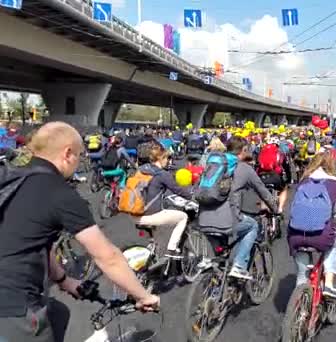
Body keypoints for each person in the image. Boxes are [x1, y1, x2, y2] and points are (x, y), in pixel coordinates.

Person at [0, 122, 159, 342]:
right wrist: (143, 296)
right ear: (68, 153)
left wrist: (66, 281)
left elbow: (36, 243)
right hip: (12, 307)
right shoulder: (58, 191)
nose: (80, 161)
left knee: (59, 314)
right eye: (80, 155)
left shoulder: (13, 177)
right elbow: (107, 257)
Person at [288, 149, 336, 299]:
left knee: (302, 276)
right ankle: (329, 285)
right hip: (321, 236)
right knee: (332, 243)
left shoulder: (304, 180)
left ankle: (299, 306)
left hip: (295, 234)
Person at [197, 137, 278, 280]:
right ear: (244, 150)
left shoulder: (213, 165)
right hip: (227, 222)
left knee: (218, 258)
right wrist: (275, 209)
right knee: (252, 226)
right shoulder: (245, 169)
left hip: (203, 220)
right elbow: (263, 191)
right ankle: (239, 265)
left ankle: (215, 287)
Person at [133, 144, 194, 259]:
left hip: (135, 214)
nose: (168, 161)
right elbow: (178, 190)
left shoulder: (140, 171)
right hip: (151, 215)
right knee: (183, 217)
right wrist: (192, 196)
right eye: (167, 158)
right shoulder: (162, 174)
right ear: (161, 159)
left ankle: (153, 253)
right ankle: (171, 249)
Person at [257, 136, 290, 214]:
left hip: (262, 176)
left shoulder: (261, 152)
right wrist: (288, 179)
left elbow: (256, 165)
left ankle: (263, 205)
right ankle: (280, 209)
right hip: (275, 176)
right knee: (284, 189)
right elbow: (287, 167)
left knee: (261, 190)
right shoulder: (280, 153)